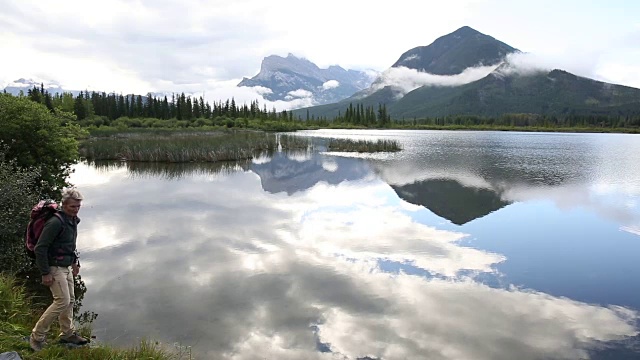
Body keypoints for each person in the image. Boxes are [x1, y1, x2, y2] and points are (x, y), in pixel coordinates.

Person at [29, 188, 89, 351]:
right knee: (62, 301)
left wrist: (75, 262)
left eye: (78, 206)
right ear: (64, 205)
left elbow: (69, 244)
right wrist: (45, 272)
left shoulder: (72, 220)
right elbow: (40, 248)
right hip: (54, 266)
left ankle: (67, 334)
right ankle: (37, 336)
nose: (76, 209)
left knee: (70, 301)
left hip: (66, 265)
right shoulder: (55, 222)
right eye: (72, 207)